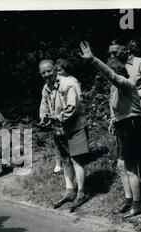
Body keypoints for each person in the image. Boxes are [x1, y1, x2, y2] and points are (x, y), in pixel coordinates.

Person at [80, 41, 141, 218]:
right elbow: (113, 106)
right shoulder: (115, 88)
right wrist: (112, 121)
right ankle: (128, 199)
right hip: (122, 126)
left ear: (118, 71)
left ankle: (138, 203)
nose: (109, 76)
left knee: (131, 167)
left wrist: (94, 60)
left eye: (112, 70)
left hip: (132, 125)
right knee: (120, 165)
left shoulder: (127, 83)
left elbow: (111, 76)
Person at [109, 39, 141, 197]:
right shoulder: (116, 67)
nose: (112, 55)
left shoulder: (140, 63)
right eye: (110, 53)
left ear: (124, 49)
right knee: (129, 153)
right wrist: (112, 117)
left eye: (115, 52)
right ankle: (137, 186)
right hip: (123, 113)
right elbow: (112, 95)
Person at [38, 59, 90, 211]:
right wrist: (44, 117)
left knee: (77, 159)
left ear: (55, 69)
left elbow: (72, 107)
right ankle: (69, 191)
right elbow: (44, 105)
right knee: (65, 159)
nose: (47, 74)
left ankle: (81, 193)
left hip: (75, 126)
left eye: (49, 71)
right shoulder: (46, 88)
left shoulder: (68, 83)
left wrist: (56, 117)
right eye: (43, 73)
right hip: (59, 129)